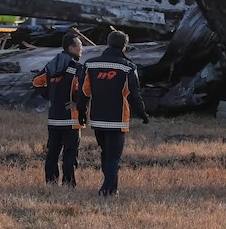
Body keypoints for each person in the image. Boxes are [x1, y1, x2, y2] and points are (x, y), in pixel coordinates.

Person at [78, 30, 149, 196]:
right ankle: (107, 189)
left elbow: (84, 92)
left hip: (97, 119)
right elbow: (134, 94)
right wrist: (142, 114)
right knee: (113, 157)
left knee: (105, 154)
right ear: (125, 46)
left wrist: (81, 112)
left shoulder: (90, 64)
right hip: (118, 120)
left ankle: (111, 188)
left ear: (108, 43)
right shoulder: (128, 67)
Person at [32, 32, 85, 186]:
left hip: (54, 117)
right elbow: (86, 89)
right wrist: (77, 102)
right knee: (70, 153)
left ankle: (51, 182)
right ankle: (69, 184)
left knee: (52, 153)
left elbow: (36, 82)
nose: (82, 49)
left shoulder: (51, 66)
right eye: (79, 46)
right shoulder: (77, 68)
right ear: (71, 47)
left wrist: (50, 96)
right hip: (71, 119)